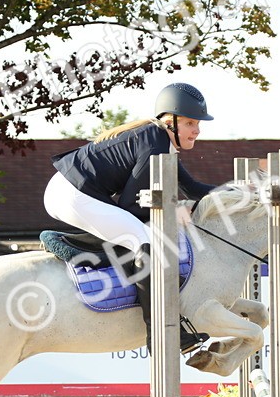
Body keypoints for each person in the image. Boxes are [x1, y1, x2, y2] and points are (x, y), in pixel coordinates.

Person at [44, 82, 217, 352]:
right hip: (72, 194)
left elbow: (194, 189)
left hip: (70, 190)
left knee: (139, 234)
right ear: (170, 122)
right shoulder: (155, 146)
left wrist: (241, 191)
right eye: (191, 123)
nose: (197, 130)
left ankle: (76, 245)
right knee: (144, 240)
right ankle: (159, 332)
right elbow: (131, 207)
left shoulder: (159, 141)